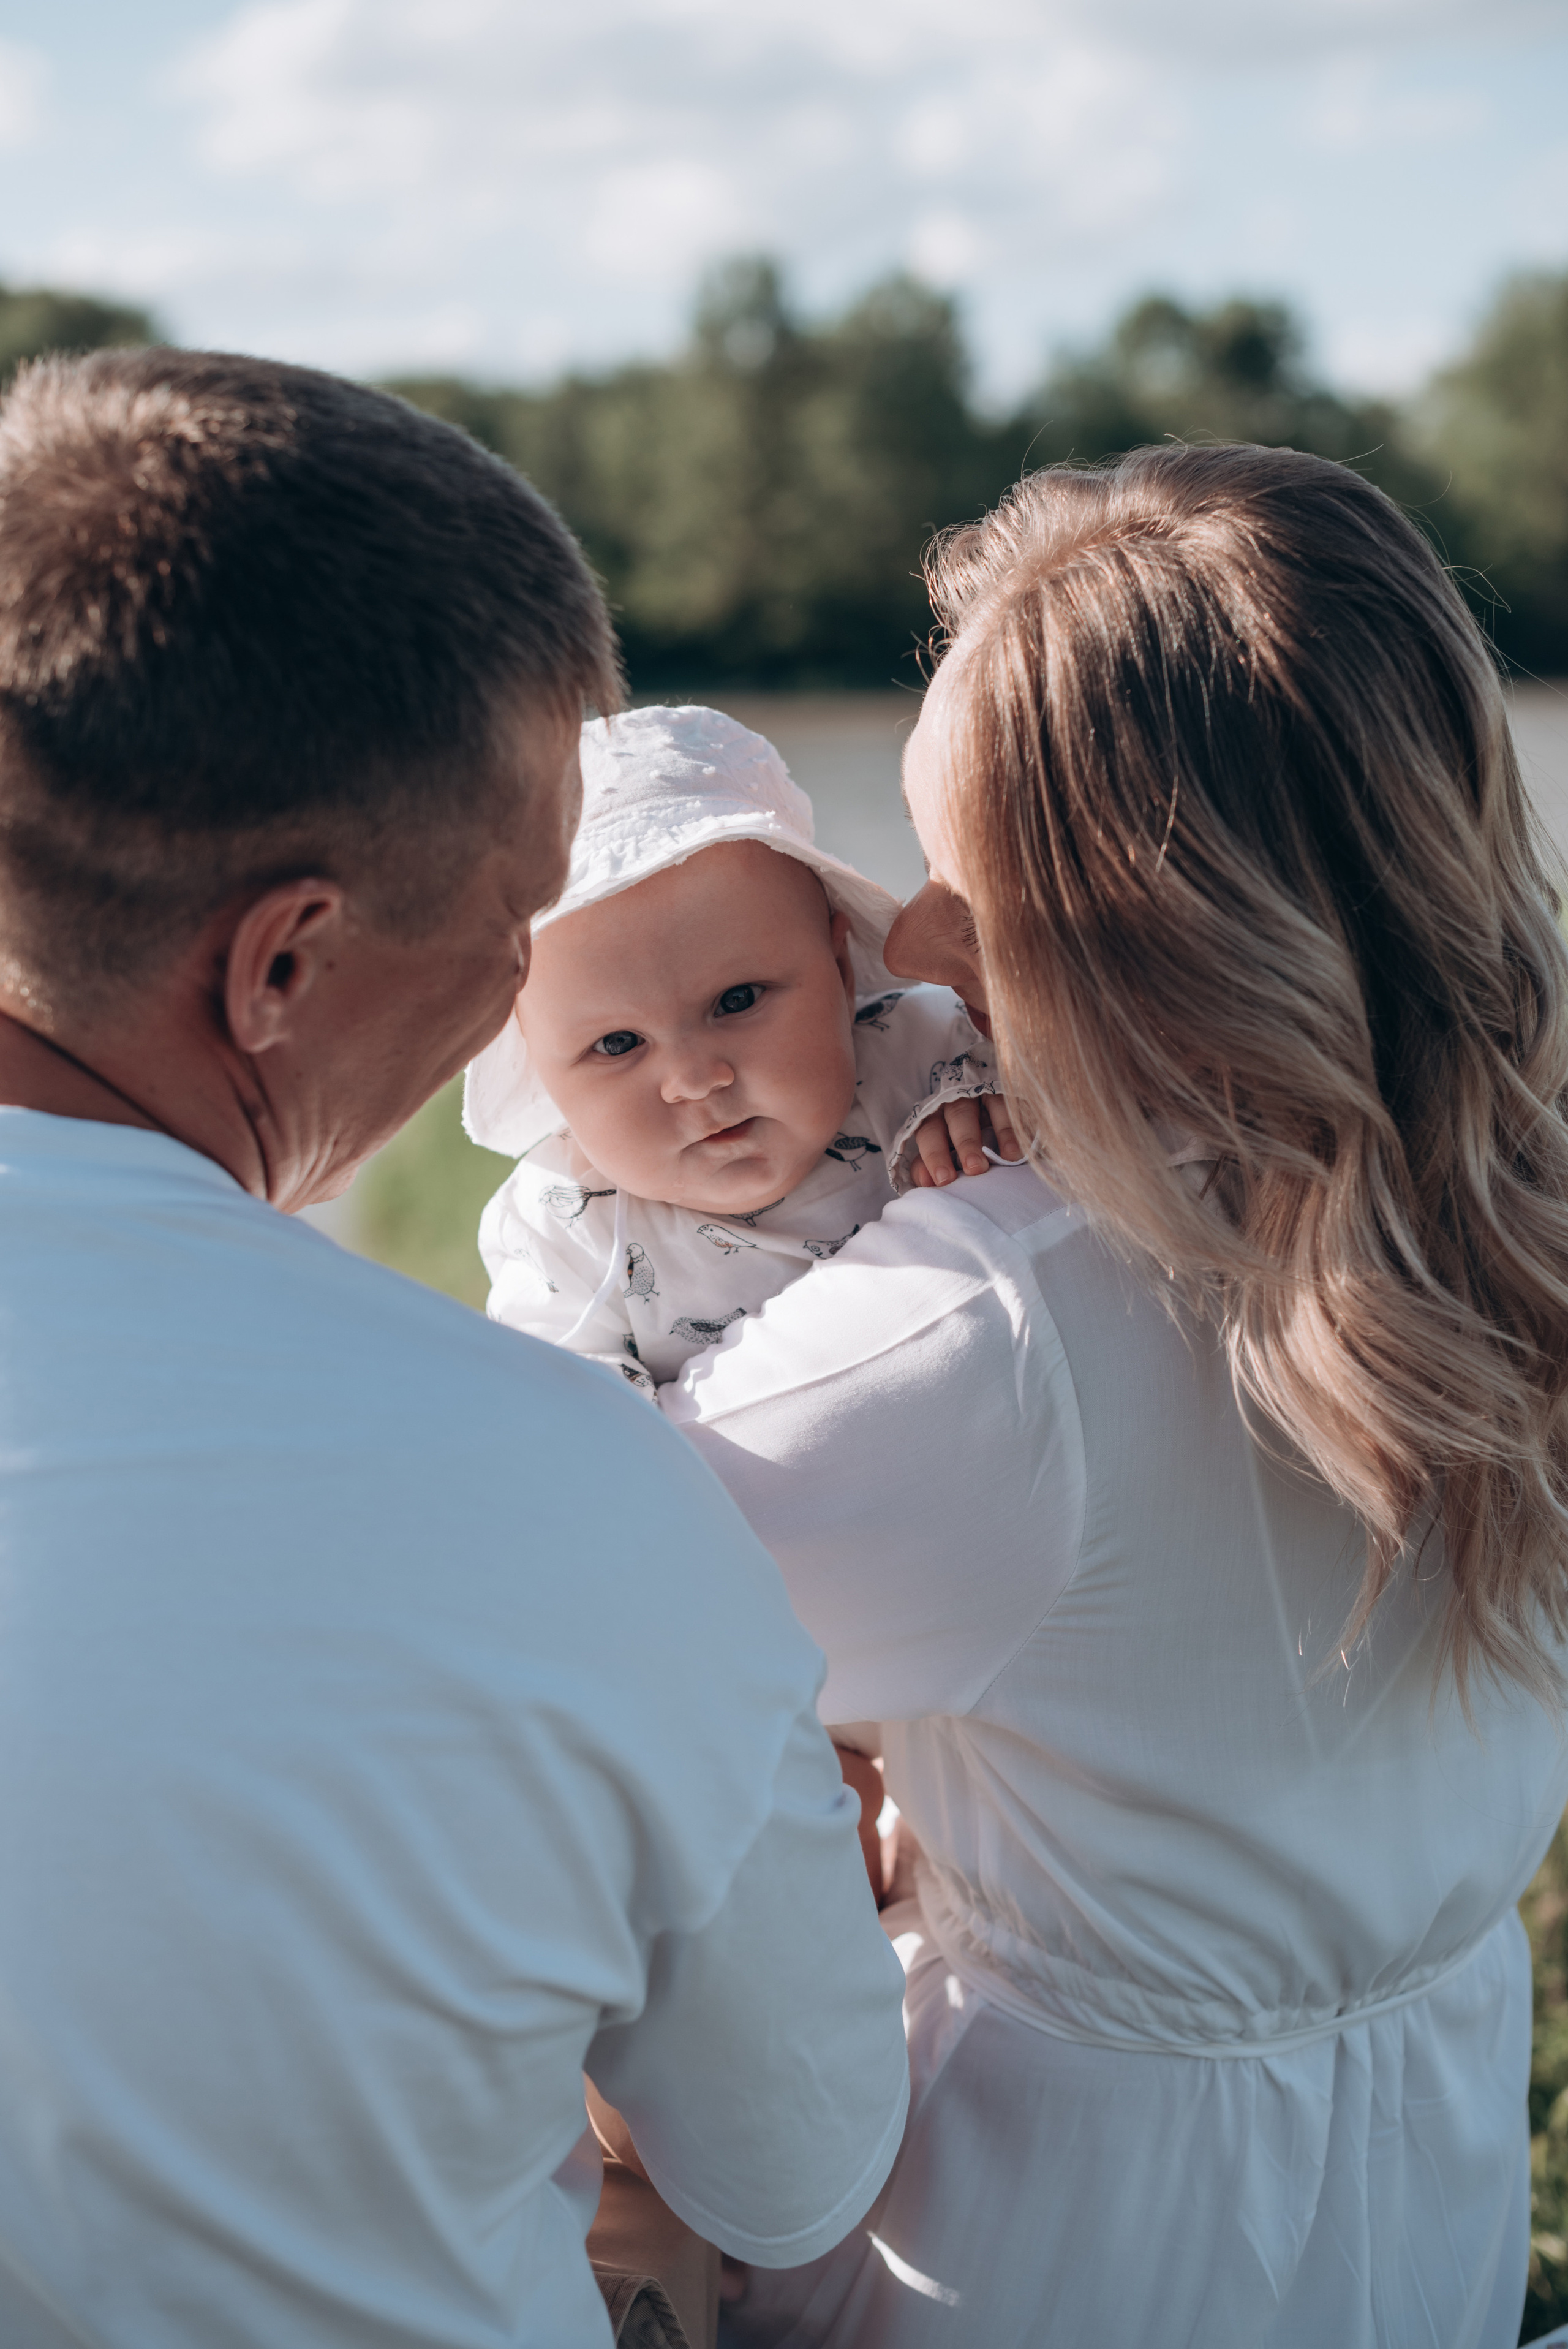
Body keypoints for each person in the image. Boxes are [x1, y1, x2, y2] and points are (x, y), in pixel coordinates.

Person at [0, 348, 910, 2349]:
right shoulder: (579, 1482)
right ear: (285, 964)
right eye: (515, 931)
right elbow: (800, 2161)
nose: (526, 1004)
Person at [664, 444, 1568, 2348]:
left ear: (1157, 945)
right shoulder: (1514, 1214)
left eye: (970, 903)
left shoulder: (985, 1332)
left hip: (1063, 2230)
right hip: (1436, 2180)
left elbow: (554, 1653)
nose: (905, 951)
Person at [467, 702, 1015, 1395]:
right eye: (617, 1043)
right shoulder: (564, 1229)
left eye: (737, 1001)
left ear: (840, 972)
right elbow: (567, 1431)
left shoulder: (929, 1052)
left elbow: (1092, 1109)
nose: (695, 1080)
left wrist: (996, 1102)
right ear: (540, 1069)